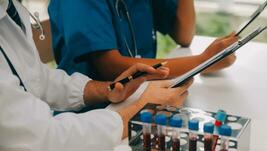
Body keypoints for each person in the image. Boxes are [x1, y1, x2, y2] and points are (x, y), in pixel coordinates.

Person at [0, 0, 192, 151]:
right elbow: (42, 139)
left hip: (67, 138)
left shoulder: (10, 8)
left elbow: (39, 79)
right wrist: (136, 112)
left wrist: (107, 89)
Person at [48, 0, 238, 82]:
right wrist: (203, 62)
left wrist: (203, 62)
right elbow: (109, 67)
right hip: (93, 113)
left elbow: (184, 35)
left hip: (140, 97)